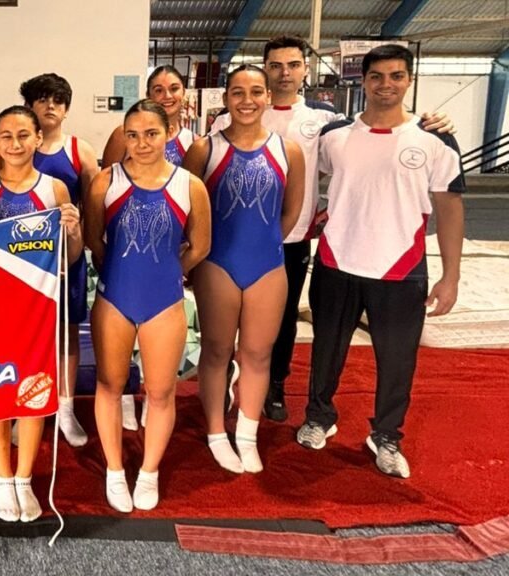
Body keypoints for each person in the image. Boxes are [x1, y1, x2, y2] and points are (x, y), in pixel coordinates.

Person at [210, 35, 454, 422]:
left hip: (289, 239)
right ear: (264, 70)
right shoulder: (228, 120)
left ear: (305, 70)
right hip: (233, 241)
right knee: (224, 319)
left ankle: (275, 384)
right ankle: (222, 379)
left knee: (282, 319)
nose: (284, 73)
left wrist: (430, 121)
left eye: (293, 65)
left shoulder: (324, 122)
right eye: (275, 66)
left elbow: (344, 164)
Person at [296, 44, 464, 479]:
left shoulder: (435, 139)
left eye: (396, 76)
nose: (386, 85)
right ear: (363, 81)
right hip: (337, 261)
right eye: (377, 76)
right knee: (326, 351)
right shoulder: (335, 135)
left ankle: (386, 435)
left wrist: (451, 276)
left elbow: (449, 208)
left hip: (400, 268)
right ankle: (319, 416)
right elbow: (310, 177)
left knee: (397, 360)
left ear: (409, 80)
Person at [85, 99, 211, 512]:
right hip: (115, 298)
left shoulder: (189, 185)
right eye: (133, 135)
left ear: (169, 133)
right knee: (109, 385)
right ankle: (114, 469)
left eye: (151, 134)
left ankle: (149, 470)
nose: (141, 143)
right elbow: (95, 240)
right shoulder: (105, 182)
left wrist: (171, 273)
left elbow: (200, 245)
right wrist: (121, 272)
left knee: (160, 391)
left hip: (164, 300)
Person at [182, 65, 305, 475]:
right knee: (217, 351)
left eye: (255, 92)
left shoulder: (289, 151)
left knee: (257, 353)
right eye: (238, 92)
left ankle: (247, 435)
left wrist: (266, 244)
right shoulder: (205, 150)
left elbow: (290, 212)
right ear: (225, 98)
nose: (247, 100)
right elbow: (188, 209)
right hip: (218, 264)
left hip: (267, 264)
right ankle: (217, 432)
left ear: (268, 97)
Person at [0, 105, 82, 522]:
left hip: (37, 307)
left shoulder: (55, 188)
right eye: (6, 136)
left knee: (33, 391)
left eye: (23, 135)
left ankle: (25, 478)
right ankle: (2, 477)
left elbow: (72, 256)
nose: (15, 144)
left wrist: (72, 230)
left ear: (38, 139)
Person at [100, 65, 200, 430]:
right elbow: (104, 216)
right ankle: (126, 395)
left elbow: (196, 219)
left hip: (169, 252)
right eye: (158, 89)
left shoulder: (194, 144)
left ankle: (155, 396)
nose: (167, 95)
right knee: (114, 366)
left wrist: (174, 266)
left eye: (174, 88)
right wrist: (116, 265)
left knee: (162, 373)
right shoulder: (120, 145)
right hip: (124, 265)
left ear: (184, 94)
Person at [20, 73, 100, 448]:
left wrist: (84, 243)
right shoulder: (18, 145)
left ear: (66, 109)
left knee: (67, 332)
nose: (50, 106)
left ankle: (65, 408)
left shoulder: (79, 150)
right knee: (26, 335)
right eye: (42, 99)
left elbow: (94, 205)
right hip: (24, 259)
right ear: (29, 106)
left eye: (57, 100)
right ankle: (26, 405)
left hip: (67, 253)